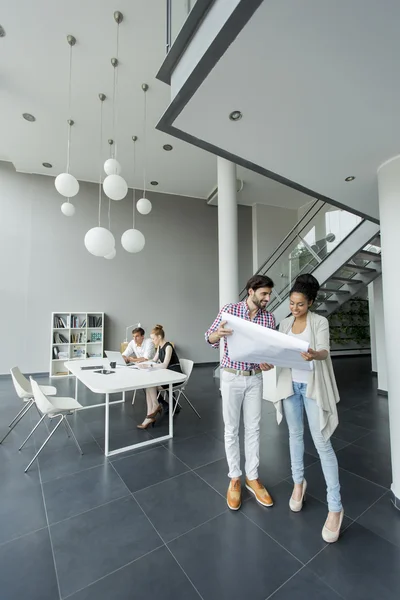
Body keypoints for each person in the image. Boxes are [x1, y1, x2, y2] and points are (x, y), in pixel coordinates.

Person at [272, 273, 344, 543]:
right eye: (292, 303)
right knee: (294, 436)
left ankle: (335, 507)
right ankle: (298, 484)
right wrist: (269, 360)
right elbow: (278, 352)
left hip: (312, 388)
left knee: (322, 443)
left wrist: (314, 353)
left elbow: (325, 351)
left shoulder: (320, 322)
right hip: (291, 387)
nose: (294, 308)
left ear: (311, 302)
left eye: (300, 304)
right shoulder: (284, 323)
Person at [205, 274, 276, 511]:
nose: (268, 298)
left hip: (255, 378)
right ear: (251, 291)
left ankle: (252, 477)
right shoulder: (230, 310)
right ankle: (235, 477)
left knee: (254, 429)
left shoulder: (269, 319)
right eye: (264, 293)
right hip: (231, 377)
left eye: (269, 294)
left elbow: (270, 352)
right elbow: (209, 337)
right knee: (231, 429)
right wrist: (217, 335)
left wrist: (269, 362)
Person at [137, 324, 183, 429]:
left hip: (175, 376)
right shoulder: (159, 347)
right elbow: (153, 360)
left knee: (150, 385)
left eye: (153, 338)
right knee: (148, 385)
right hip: (167, 374)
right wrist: (143, 363)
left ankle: (154, 409)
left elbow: (164, 365)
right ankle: (151, 412)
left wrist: (150, 365)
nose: (152, 341)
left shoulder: (168, 347)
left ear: (159, 337)